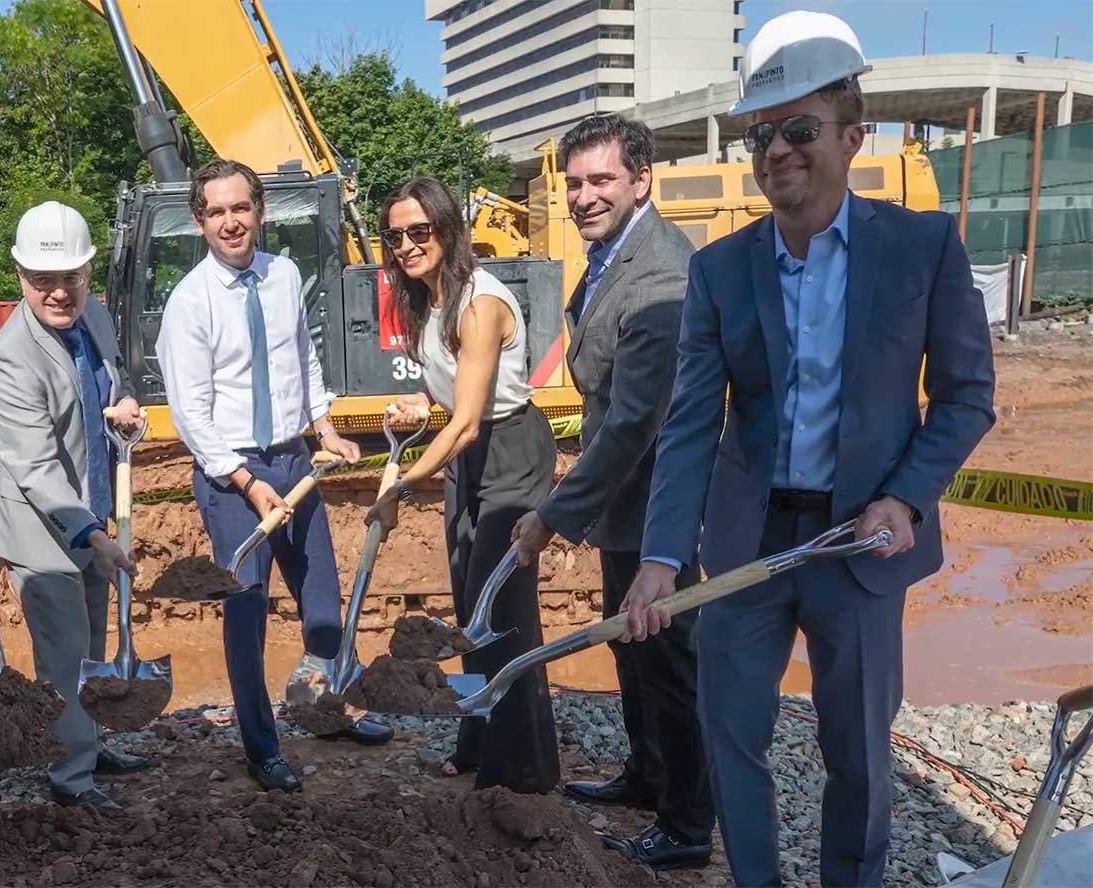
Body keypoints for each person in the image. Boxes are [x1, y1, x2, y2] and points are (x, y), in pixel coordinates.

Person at [622, 12, 996, 887]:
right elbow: (688, 425)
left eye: (800, 129)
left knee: (859, 755)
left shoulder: (922, 248)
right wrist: (663, 556)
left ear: (853, 136)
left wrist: (903, 497)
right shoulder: (720, 270)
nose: (778, 151)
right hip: (746, 548)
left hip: (860, 545)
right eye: (762, 134)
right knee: (732, 737)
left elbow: (966, 397)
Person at [507, 115, 714, 868]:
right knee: (630, 649)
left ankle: (689, 826)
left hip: (658, 506)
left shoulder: (658, 276)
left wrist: (554, 514)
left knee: (667, 664)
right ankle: (647, 775)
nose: (584, 196)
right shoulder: (611, 256)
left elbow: (633, 424)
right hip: (624, 506)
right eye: (574, 184)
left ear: (641, 180)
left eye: (601, 180)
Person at [156, 158, 392, 794]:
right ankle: (261, 744)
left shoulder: (284, 274)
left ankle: (327, 709)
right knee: (247, 611)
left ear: (259, 211)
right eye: (217, 211)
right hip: (233, 474)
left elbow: (302, 356)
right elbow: (189, 412)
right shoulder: (190, 303)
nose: (231, 221)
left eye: (241, 208)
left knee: (321, 600)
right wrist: (244, 480)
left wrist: (325, 427)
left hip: (294, 459)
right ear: (200, 221)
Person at [365, 176, 560, 796]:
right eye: (395, 235)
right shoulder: (429, 298)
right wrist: (415, 404)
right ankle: (477, 742)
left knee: (498, 613)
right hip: (469, 460)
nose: (406, 244)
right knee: (467, 612)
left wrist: (400, 484)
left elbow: (472, 419)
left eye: (419, 231)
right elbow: (450, 396)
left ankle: (522, 772)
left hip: (509, 451)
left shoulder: (480, 304)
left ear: (448, 229)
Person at [0, 201, 150, 814]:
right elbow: (35, 467)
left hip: (94, 509)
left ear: (88, 274)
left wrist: (124, 404)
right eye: (42, 280)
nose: (58, 292)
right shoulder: (10, 358)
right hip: (40, 526)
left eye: (70, 277)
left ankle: (91, 741)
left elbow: (112, 380)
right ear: (20, 276)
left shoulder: (95, 316)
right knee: (64, 650)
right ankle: (70, 774)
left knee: (95, 641)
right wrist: (91, 534)